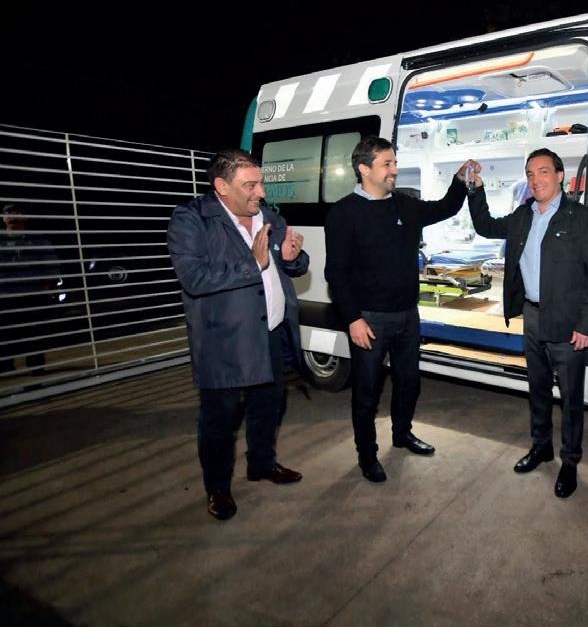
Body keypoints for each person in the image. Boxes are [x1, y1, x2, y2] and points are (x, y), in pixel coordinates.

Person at [167, 149, 308, 521]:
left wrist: (292, 258)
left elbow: (292, 265)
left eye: (260, 183)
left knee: (269, 406)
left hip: (271, 333)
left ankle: (262, 463)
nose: (261, 192)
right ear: (222, 186)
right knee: (220, 421)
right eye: (250, 185)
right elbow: (194, 279)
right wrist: (253, 264)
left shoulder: (268, 215)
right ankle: (218, 489)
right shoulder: (191, 219)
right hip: (224, 342)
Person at [324, 136, 468, 483]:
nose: (395, 170)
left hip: (407, 315)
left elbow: (445, 207)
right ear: (364, 169)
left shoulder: (404, 205)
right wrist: (353, 319)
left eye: (394, 163)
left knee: (409, 382)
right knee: (367, 392)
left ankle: (402, 434)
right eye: (387, 164)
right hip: (369, 319)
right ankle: (367, 455)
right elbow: (335, 273)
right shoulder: (344, 212)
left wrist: (460, 181)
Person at [467, 148, 588, 498]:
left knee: (571, 398)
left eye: (543, 171)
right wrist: (475, 189)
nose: (535, 179)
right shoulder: (523, 215)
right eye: (530, 174)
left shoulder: (582, 217)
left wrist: (587, 325)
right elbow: (485, 226)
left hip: (568, 322)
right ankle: (541, 446)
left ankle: (570, 462)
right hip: (532, 316)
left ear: (560, 176)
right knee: (538, 389)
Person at [0, 203, 61, 375]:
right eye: (9, 212)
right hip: (4, 297)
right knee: (5, 334)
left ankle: (35, 367)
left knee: (34, 334)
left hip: (32, 296)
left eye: (18, 212)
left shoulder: (38, 240)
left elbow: (52, 265)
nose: (13, 216)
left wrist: (46, 288)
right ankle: (6, 367)